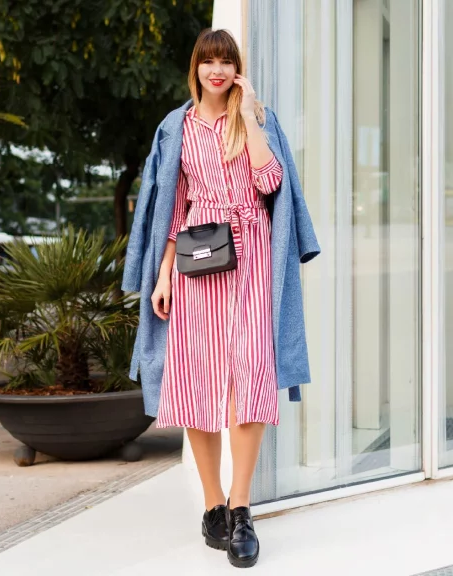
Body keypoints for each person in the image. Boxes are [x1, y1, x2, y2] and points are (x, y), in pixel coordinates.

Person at [121, 28, 319, 569]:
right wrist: (162, 277)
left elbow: (272, 181)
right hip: (195, 261)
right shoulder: (176, 127)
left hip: (252, 257)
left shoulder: (257, 119)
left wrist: (251, 115)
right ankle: (211, 505)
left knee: (249, 377)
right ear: (196, 68)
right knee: (197, 379)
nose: (216, 70)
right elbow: (170, 208)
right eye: (208, 61)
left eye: (225, 61)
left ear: (237, 69)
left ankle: (241, 507)